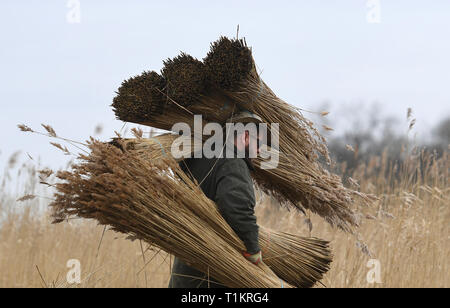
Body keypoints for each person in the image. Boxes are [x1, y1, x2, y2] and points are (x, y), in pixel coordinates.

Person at [168, 111, 264, 288]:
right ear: (246, 136)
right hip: (212, 272)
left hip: (186, 266)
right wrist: (253, 248)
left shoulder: (196, 155)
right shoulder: (232, 162)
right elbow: (237, 210)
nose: (260, 150)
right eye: (258, 142)